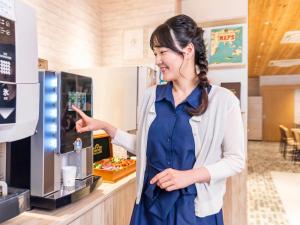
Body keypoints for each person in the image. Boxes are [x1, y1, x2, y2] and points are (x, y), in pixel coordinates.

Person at [72, 14, 245, 225]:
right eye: (155, 53)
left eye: (163, 52)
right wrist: (105, 127)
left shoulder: (223, 101)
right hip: (149, 207)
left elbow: (235, 160)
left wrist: (190, 176)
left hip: (194, 212)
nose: (157, 61)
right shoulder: (151, 96)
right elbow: (145, 147)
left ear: (188, 50)